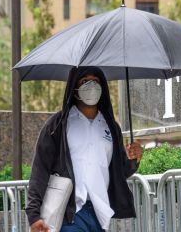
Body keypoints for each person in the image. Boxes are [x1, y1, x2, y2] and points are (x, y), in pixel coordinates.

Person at [27, 66, 143, 232]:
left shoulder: (110, 126)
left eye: (96, 81)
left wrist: (133, 158)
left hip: (100, 214)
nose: (91, 85)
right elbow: (40, 170)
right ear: (74, 87)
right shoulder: (58, 125)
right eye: (85, 81)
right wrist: (34, 215)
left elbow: (119, 171)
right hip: (70, 215)